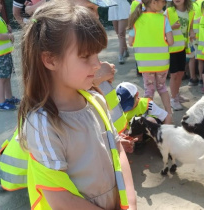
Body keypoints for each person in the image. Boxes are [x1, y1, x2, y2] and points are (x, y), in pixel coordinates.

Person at [17, 1, 136, 209]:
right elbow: (61, 199)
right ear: (50, 60)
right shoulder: (42, 124)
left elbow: (118, 150)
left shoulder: (97, 101)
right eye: (85, 57)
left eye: (97, 54)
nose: (97, 64)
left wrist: (131, 202)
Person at [128, 0, 173, 124]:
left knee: (149, 90)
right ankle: (169, 115)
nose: (164, 4)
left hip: (145, 64)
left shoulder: (136, 20)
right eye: (163, 2)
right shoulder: (163, 19)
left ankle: (149, 118)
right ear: (154, 2)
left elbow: (130, 42)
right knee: (162, 88)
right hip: (161, 63)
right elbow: (171, 41)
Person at [0, 0, 20, 111]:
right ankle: (1, 103)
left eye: (1, 3)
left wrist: (8, 30)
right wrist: (9, 36)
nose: (0, 6)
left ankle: (9, 97)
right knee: (1, 78)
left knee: (6, 76)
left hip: (4, 53)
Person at [164, 0, 194, 111]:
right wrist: (172, 27)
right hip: (171, 49)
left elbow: (190, 27)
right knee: (174, 75)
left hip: (183, 47)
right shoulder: (168, 11)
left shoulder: (191, 12)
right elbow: (161, 30)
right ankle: (173, 99)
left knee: (181, 73)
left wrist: (191, 32)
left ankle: (176, 94)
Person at [187, 0, 204, 87]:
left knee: (192, 57)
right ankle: (201, 79)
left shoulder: (191, 4)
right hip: (200, 36)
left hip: (191, 35)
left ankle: (192, 78)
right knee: (200, 58)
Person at [108, 0, 130, 64]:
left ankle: (120, 55)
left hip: (123, 6)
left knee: (121, 33)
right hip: (113, 6)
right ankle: (125, 49)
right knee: (118, 33)